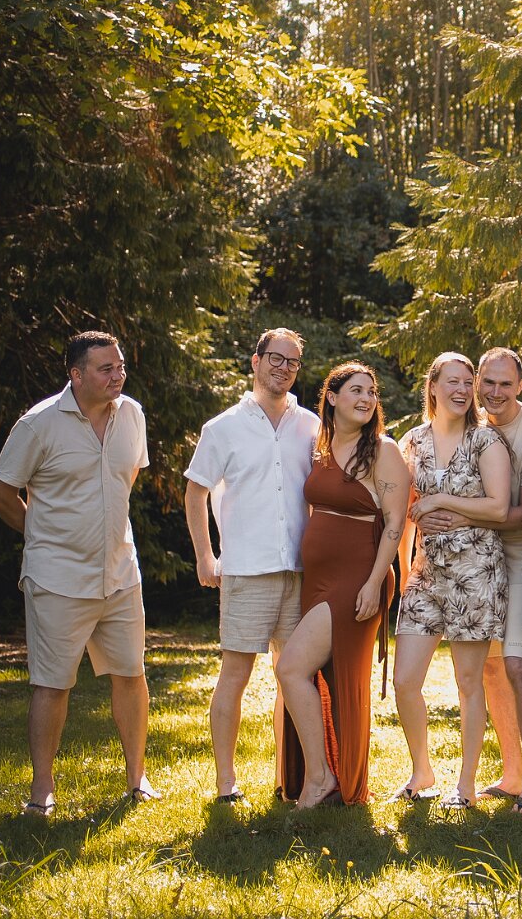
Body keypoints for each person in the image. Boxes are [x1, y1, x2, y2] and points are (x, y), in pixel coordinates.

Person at [0, 331, 157, 817]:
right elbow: (0, 492)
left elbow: (125, 479)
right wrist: (41, 534)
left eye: (120, 366)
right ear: (76, 375)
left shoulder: (132, 415)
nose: (118, 376)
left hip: (120, 573)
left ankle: (137, 779)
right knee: (53, 684)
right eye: (106, 369)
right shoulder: (38, 425)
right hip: (57, 580)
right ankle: (42, 789)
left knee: (131, 674)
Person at [183, 328, 321, 804]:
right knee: (235, 676)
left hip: (300, 570)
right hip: (246, 569)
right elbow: (195, 493)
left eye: (293, 362)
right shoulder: (222, 427)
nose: (284, 368)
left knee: (295, 676)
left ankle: (291, 778)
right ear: (256, 361)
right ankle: (227, 783)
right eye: (276, 359)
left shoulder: (311, 425)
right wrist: (205, 555)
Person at [275, 362, 410, 807]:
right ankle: (324, 774)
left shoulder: (383, 450)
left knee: (291, 668)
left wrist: (374, 583)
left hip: (357, 578)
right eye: (356, 390)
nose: (366, 398)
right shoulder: (323, 446)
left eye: (371, 392)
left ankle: (322, 778)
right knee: (318, 674)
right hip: (318, 578)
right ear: (332, 398)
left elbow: (394, 523)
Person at [392, 352, 512, 809]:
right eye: (453, 382)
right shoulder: (413, 441)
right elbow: (404, 509)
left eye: (468, 382)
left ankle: (465, 785)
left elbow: (498, 507)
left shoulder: (485, 440)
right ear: (433, 387)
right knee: (405, 680)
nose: (462, 390)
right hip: (425, 575)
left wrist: (441, 501)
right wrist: (402, 569)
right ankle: (421, 771)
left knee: (467, 682)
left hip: (475, 573)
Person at [473, 348, 522, 814]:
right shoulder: (469, 424)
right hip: (477, 560)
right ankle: (509, 772)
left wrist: (459, 515)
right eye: (489, 382)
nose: (496, 392)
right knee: (489, 666)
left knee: (518, 664)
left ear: (520, 385)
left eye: (506, 384)